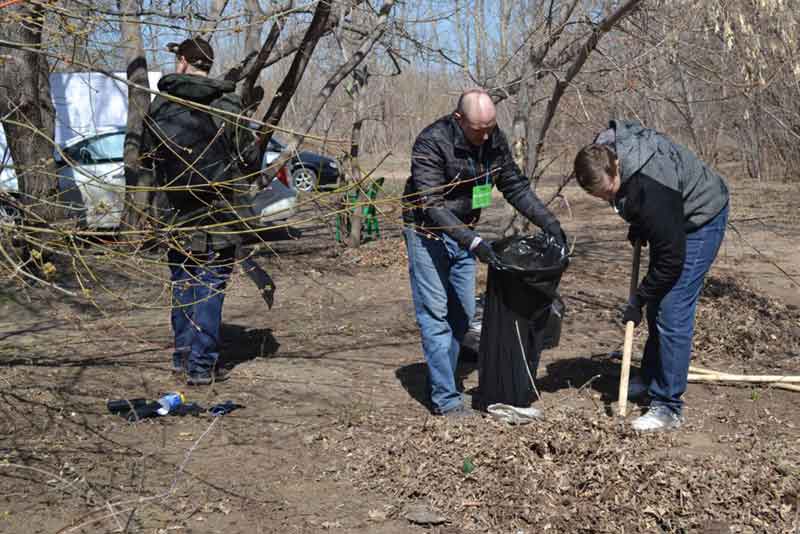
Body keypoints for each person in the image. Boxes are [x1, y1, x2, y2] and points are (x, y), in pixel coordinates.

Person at [402, 89, 566, 417]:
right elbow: (432, 205)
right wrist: (475, 245)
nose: (486, 134)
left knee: (461, 315)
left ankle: (445, 380)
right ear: (459, 119)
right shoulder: (431, 142)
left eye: (491, 126)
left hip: (466, 233)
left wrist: (550, 223)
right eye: (479, 129)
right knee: (436, 316)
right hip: (428, 235)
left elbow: (515, 186)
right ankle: (446, 400)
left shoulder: (494, 141)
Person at [573, 120, 729, 431]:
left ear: (616, 168)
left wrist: (638, 299)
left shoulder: (651, 183)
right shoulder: (605, 153)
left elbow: (671, 260)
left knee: (672, 309)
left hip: (700, 217)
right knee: (660, 304)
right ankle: (651, 377)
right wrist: (640, 222)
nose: (607, 200)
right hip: (670, 215)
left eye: (609, 193)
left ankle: (668, 406)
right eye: (600, 197)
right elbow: (633, 199)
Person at [143, 37, 260, 385]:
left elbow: (146, 158)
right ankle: (201, 366)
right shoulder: (228, 104)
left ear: (182, 61)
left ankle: (182, 358)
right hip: (221, 214)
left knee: (182, 283)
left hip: (176, 212)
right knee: (210, 286)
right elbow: (250, 159)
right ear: (206, 64)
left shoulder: (161, 106)